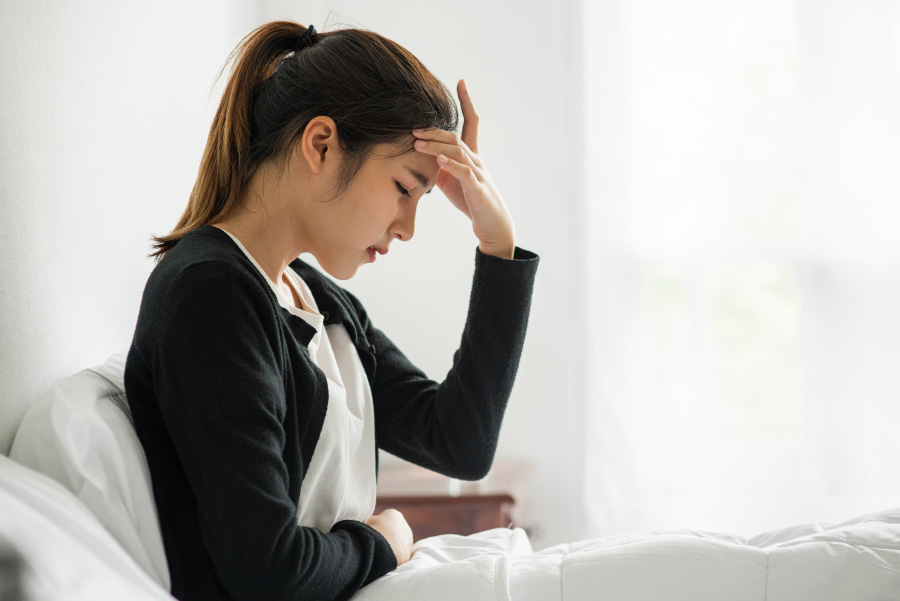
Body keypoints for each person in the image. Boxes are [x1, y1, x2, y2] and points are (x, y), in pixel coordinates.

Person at [124, 19, 539, 601]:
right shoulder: (210, 297)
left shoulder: (315, 296)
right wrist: (386, 541)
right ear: (321, 144)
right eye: (403, 186)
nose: (408, 228)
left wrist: (499, 251)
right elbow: (269, 572)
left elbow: (460, 445)